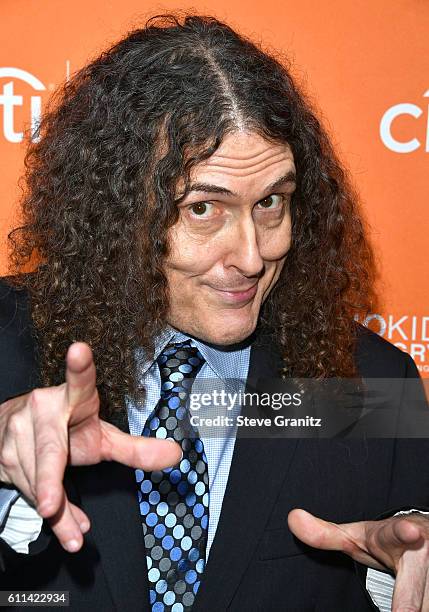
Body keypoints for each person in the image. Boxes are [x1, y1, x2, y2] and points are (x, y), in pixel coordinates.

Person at [0, 13, 428, 612]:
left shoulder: (376, 387)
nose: (253, 256)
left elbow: (409, 557)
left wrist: (400, 574)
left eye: (273, 202)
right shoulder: (5, 343)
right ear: (116, 210)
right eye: (204, 209)